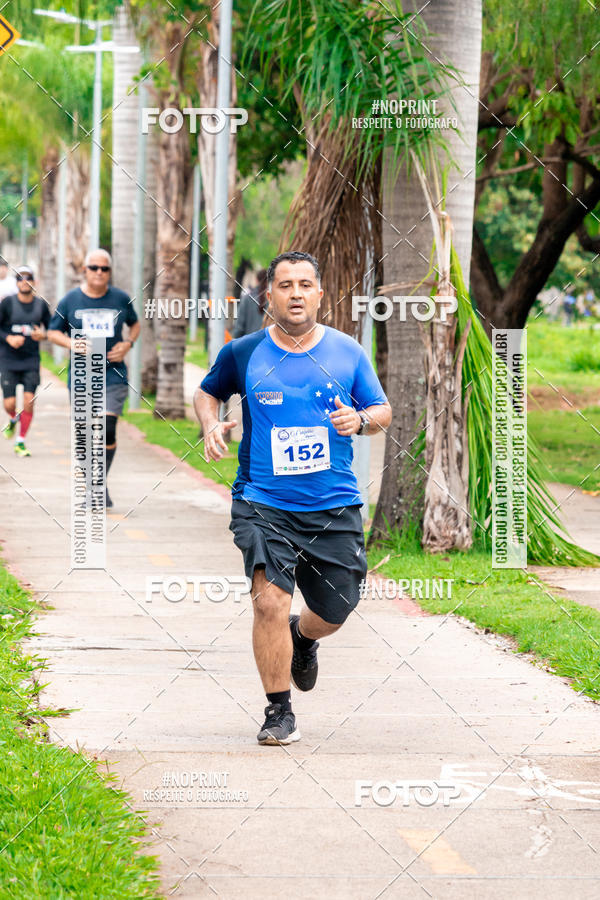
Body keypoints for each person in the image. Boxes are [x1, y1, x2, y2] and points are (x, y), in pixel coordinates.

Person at [195, 250, 392, 746]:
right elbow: (207, 392)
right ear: (270, 297)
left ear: (320, 294)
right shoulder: (244, 352)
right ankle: (278, 711)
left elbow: (381, 408)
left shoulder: (347, 352)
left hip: (334, 503)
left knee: (336, 609)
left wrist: (361, 421)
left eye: (306, 284)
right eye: (286, 285)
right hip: (263, 502)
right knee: (269, 601)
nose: (296, 293)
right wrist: (209, 424)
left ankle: (302, 637)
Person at [47, 249, 140, 508]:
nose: (99, 273)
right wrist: (71, 343)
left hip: (113, 373)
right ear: (85, 270)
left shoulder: (120, 298)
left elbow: (135, 324)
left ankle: (98, 482)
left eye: (104, 268)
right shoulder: (70, 300)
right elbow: (52, 332)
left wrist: (128, 343)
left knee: (107, 428)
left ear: (110, 272)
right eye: (94, 268)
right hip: (81, 376)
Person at [0, 266, 51, 456]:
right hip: (8, 360)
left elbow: (51, 329)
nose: (24, 281)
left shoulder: (40, 305)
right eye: (20, 278)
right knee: (9, 404)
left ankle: (20, 441)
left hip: (31, 359)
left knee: (29, 402)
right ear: (16, 282)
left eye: (28, 278)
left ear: (34, 282)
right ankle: (13, 419)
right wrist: (9, 339)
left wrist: (43, 335)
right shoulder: (7, 304)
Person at [233, 268, 269, 338]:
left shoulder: (246, 299)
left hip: (249, 345)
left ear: (256, 280)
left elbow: (238, 329)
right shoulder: (273, 301)